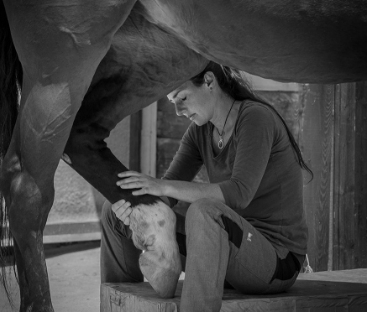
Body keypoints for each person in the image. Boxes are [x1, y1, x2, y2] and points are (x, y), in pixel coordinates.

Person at [100, 61, 311, 312]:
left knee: (204, 212)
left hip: (276, 262)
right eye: (172, 102)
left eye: (182, 98)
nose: (178, 110)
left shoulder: (255, 117)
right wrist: (134, 209)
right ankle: (123, 304)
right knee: (114, 210)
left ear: (209, 82)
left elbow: (238, 194)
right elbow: (166, 198)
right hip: (225, 250)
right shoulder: (199, 132)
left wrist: (161, 187)